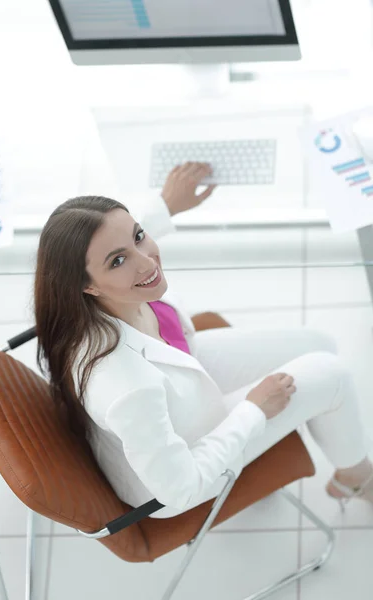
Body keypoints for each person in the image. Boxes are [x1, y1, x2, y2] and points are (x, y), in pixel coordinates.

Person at [34, 162, 373, 519]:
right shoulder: (125, 385)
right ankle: (357, 478)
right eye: (118, 261)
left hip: (183, 380)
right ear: (86, 285)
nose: (147, 262)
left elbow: (114, 238)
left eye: (138, 236)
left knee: (318, 344)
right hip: (188, 461)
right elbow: (180, 487)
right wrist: (254, 411)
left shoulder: (86, 300)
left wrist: (166, 205)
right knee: (331, 375)